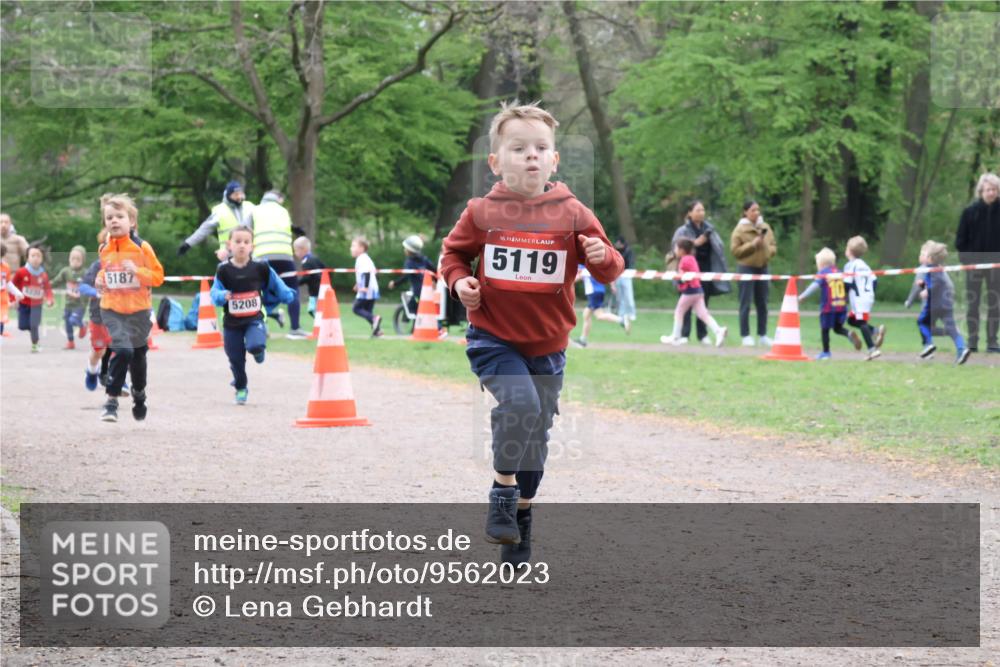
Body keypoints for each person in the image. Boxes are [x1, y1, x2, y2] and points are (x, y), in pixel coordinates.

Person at [441, 101, 624, 564]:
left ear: (555, 159)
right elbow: (452, 257)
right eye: (518, 148)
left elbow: (610, 267)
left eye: (541, 148)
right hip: (493, 339)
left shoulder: (573, 212)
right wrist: (460, 281)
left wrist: (602, 258)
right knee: (519, 404)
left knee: (537, 437)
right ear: (496, 161)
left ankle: (520, 520)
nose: (531, 156)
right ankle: (502, 495)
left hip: (548, 348)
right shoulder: (482, 211)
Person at [95, 193, 165, 422]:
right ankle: (111, 400)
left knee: (137, 357)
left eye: (119, 216)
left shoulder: (142, 247)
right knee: (122, 350)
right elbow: (105, 270)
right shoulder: (104, 248)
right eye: (109, 218)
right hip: (112, 309)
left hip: (139, 312)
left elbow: (158, 277)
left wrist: (137, 271)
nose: (114, 221)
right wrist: (99, 278)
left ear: (131, 221)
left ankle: (139, 394)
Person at [211, 226, 297, 405]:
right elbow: (214, 293)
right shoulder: (223, 269)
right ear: (229, 245)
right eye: (237, 241)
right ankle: (241, 387)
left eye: (246, 242)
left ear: (252, 246)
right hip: (231, 323)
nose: (242, 245)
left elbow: (276, 283)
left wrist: (287, 294)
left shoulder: (260, 266)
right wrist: (221, 295)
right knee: (235, 358)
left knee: (256, 345)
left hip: (254, 318)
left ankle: (258, 351)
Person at [670, 200, 731, 344]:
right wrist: (695, 243)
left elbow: (719, 247)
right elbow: (676, 248)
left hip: (706, 270)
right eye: (698, 210)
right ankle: (684, 335)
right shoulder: (682, 230)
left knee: (703, 305)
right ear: (690, 213)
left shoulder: (709, 229)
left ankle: (703, 334)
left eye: (703, 210)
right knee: (684, 306)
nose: (701, 213)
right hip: (687, 269)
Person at [904, 240, 970, 365]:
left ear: (930, 258)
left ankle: (929, 346)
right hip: (947, 303)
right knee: (948, 327)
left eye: (923, 254)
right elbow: (947, 285)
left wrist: (917, 297)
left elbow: (924, 286)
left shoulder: (927, 269)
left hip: (934, 305)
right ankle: (962, 348)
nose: (921, 256)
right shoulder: (940, 269)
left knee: (923, 323)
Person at [252, 190, 307, 339]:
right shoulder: (283, 211)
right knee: (292, 290)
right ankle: (295, 328)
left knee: (258, 292)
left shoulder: (255, 210)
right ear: (279, 199)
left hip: (263, 256)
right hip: (285, 257)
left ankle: (260, 327)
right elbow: (289, 227)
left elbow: (244, 228)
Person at [955, 172, 1000, 353]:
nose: (991, 193)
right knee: (973, 303)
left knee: (995, 303)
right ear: (981, 191)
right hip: (973, 265)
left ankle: (992, 341)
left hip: (997, 266)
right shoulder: (969, 212)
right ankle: (972, 341)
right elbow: (960, 241)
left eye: (995, 190)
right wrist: (967, 260)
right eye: (988, 189)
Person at [660, 238, 727, 347]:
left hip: (690, 291)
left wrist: (673, 272)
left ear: (682, 250)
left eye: (676, 248)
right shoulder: (691, 258)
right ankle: (718, 331)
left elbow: (682, 277)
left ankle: (675, 337)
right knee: (703, 314)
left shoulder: (684, 260)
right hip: (698, 290)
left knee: (679, 312)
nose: (675, 250)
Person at [730, 200, 776, 347]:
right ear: (745, 212)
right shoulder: (739, 230)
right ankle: (745, 335)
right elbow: (735, 251)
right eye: (753, 210)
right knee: (745, 302)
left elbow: (774, 246)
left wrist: (768, 250)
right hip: (746, 268)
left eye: (758, 210)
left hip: (763, 267)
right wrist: (752, 245)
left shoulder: (766, 227)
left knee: (763, 302)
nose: (756, 213)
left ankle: (763, 334)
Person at [178, 181, 255, 262]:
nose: (239, 197)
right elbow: (204, 229)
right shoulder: (219, 211)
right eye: (236, 195)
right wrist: (188, 244)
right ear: (229, 195)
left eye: (241, 194)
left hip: (249, 255)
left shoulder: (250, 207)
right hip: (228, 256)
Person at [798, 248, 850, 360]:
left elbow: (814, 286)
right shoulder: (839, 272)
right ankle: (849, 333)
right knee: (837, 328)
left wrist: (803, 295)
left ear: (820, 264)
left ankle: (826, 352)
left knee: (825, 329)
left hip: (828, 307)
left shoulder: (823, 273)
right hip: (841, 306)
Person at [842, 235, 885, 361]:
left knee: (861, 323)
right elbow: (874, 281)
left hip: (859, 299)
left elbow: (847, 283)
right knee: (851, 320)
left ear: (849, 251)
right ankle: (875, 331)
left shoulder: (850, 265)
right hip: (867, 297)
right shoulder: (865, 265)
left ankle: (872, 349)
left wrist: (842, 295)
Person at [573, 263, 630, 347]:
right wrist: (612, 285)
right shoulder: (593, 264)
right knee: (586, 315)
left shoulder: (583, 266)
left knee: (599, 315)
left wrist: (568, 281)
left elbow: (578, 277)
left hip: (593, 292)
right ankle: (583, 340)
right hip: (598, 291)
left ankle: (621, 320)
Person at [11, 246, 54, 352]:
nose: (35, 258)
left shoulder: (43, 274)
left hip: (36, 305)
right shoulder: (21, 272)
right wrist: (13, 299)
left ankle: (35, 344)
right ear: (27, 258)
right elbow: (12, 286)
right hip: (23, 304)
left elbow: (48, 288)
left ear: (42, 258)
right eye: (33, 255)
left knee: (34, 324)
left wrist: (49, 299)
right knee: (22, 326)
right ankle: (33, 330)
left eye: (38, 256)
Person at [50, 245, 88, 350]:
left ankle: (82, 325)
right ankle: (70, 342)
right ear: (69, 259)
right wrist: (46, 285)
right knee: (67, 322)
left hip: (80, 303)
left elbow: (92, 284)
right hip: (68, 303)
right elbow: (56, 281)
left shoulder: (85, 273)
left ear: (83, 260)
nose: (75, 261)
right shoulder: (66, 271)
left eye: (78, 259)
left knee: (73, 320)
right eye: (72, 258)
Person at [350, 236, 382, 337]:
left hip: (367, 289)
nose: (351, 248)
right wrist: (358, 284)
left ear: (362, 248)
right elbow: (373, 273)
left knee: (356, 308)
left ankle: (374, 319)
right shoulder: (366, 258)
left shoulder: (362, 259)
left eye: (353, 246)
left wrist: (365, 287)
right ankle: (377, 331)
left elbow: (367, 273)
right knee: (367, 311)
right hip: (372, 288)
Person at [292, 236, 326, 318]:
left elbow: (307, 277)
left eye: (296, 251)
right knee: (312, 310)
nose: (295, 253)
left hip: (316, 291)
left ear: (303, 250)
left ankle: (321, 325)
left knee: (314, 310)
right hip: (320, 289)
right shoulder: (315, 258)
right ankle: (320, 324)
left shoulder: (306, 262)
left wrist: (296, 283)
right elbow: (325, 268)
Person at [1, 242, 26, 338]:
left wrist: (17, 292)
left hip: (2, 299)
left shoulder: (6, 267)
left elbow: (7, 283)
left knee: (1, 320)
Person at [612, 237, 637, 325]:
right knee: (620, 297)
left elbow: (630, 264)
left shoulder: (629, 251)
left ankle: (631, 314)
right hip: (618, 275)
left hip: (626, 276)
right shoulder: (616, 251)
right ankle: (621, 314)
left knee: (629, 296)